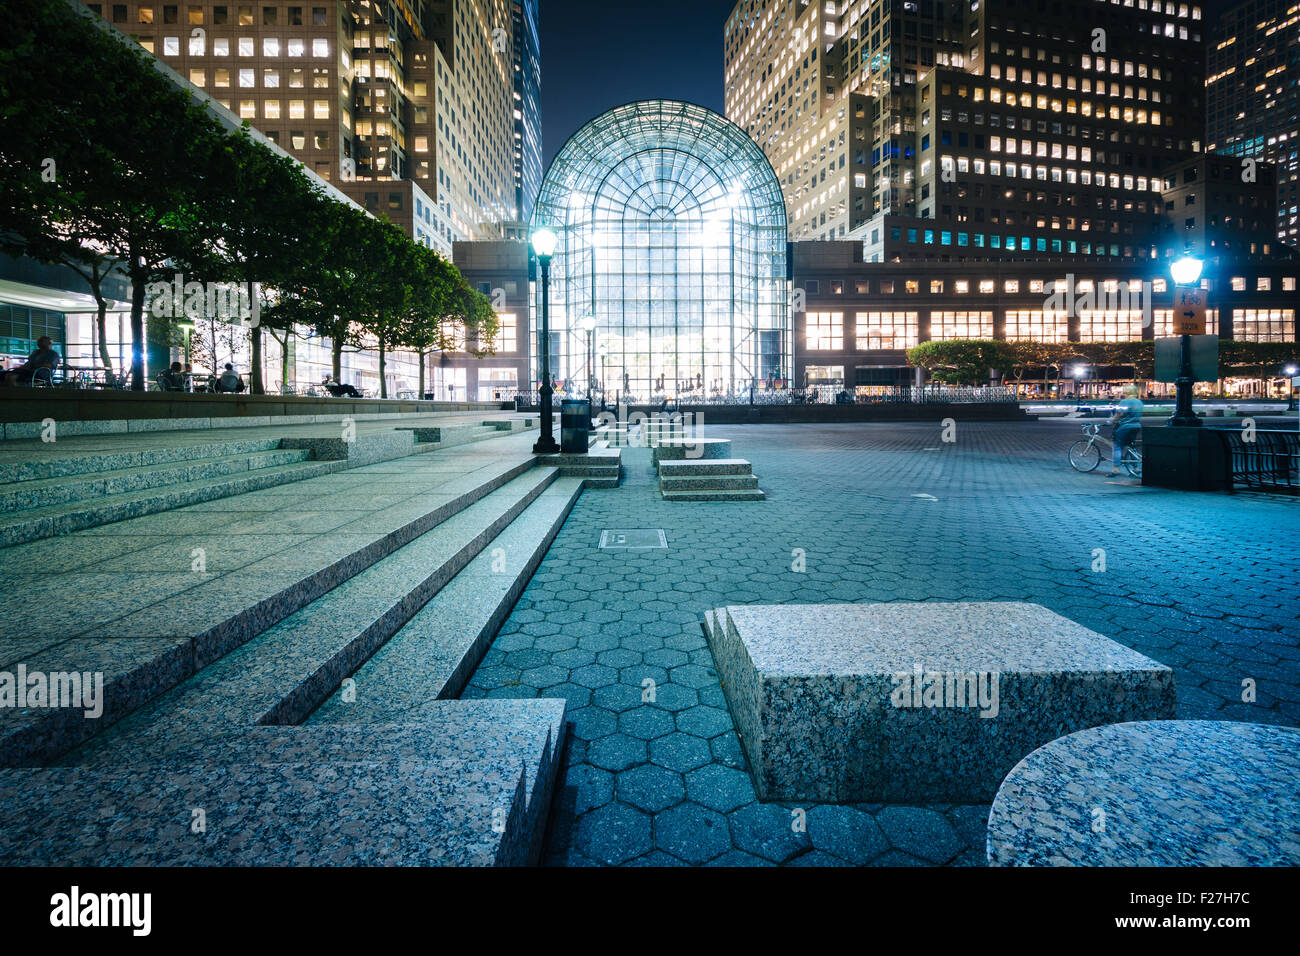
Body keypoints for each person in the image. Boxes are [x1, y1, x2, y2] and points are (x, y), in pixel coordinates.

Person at [1107, 384, 1144, 476]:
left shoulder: (1124, 402)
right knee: (1131, 447)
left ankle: (1115, 469)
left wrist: (1110, 421)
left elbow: (1118, 414)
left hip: (1125, 427)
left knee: (1117, 446)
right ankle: (1136, 467)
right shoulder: (1139, 402)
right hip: (1136, 426)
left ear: (1127, 392)